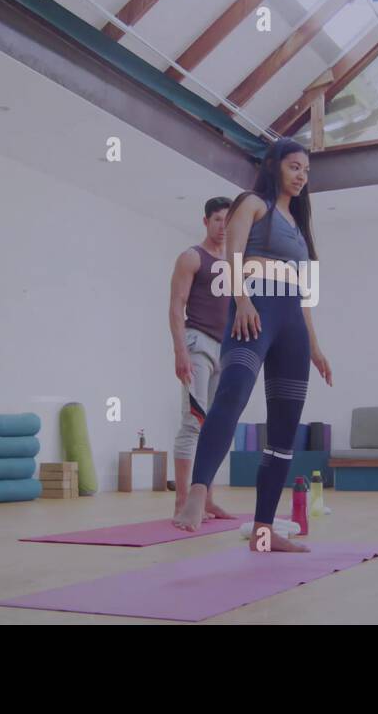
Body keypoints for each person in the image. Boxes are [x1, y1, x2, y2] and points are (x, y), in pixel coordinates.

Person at [171, 137, 333, 553]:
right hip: (255, 310)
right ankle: (197, 492)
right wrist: (241, 300)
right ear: (276, 165)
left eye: (307, 171)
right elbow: (234, 254)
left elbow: (306, 294)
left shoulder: (298, 227)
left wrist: (315, 346)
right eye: (295, 167)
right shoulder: (253, 203)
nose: (302, 176)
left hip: (292, 323)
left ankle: (263, 531)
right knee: (231, 397)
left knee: (283, 429)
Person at [168, 197, 236, 522]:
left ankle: (207, 498)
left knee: (217, 427)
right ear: (206, 221)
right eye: (218, 220)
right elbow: (176, 305)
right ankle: (182, 501)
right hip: (198, 345)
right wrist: (180, 350)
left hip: (227, 351)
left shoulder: (235, 264)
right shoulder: (192, 257)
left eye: (229, 221)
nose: (224, 227)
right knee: (193, 422)